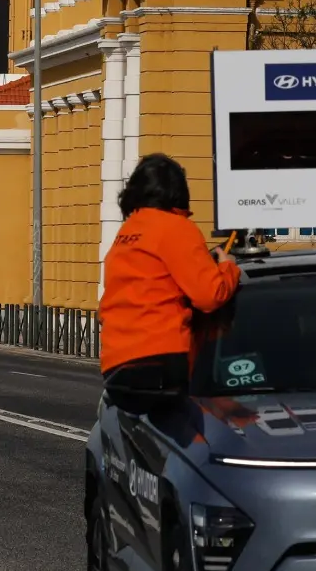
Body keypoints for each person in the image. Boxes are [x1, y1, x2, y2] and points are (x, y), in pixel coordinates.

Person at [99, 154, 241, 405]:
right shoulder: (176, 228)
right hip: (160, 361)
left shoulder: (127, 232)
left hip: (116, 367)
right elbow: (210, 295)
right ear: (178, 191)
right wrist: (229, 267)